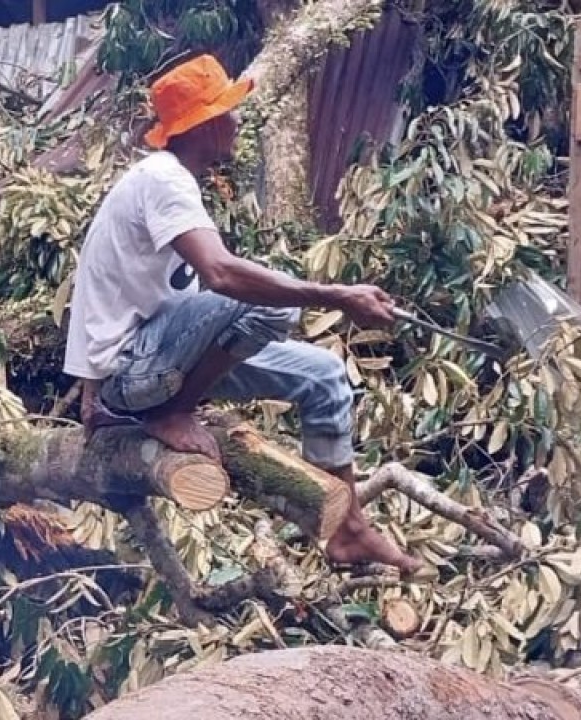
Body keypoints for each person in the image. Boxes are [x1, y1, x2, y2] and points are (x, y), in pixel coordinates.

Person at [64, 54, 420, 573]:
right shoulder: (164, 178)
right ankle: (170, 412)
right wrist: (338, 296)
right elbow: (222, 276)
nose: (237, 121)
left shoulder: (172, 178)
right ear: (204, 126)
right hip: (130, 376)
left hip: (154, 362)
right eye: (228, 112)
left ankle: (349, 530)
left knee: (323, 377)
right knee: (261, 305)